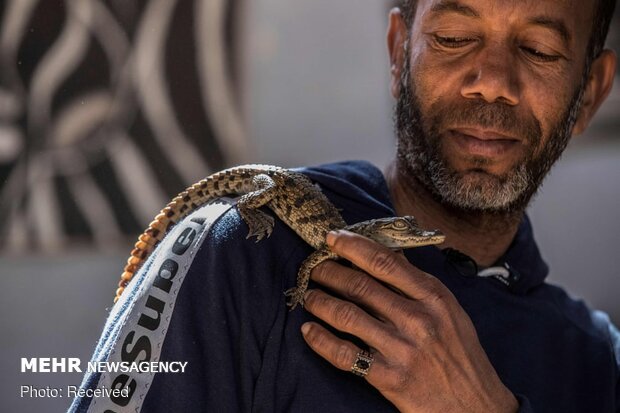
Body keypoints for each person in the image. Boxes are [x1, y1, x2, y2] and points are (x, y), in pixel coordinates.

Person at [70, 0, 619, 412]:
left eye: (540, 50)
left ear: (590, 93)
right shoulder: (233, 248)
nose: (493, 83)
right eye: (453, 37)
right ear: (398, 52)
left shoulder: (600, 363)